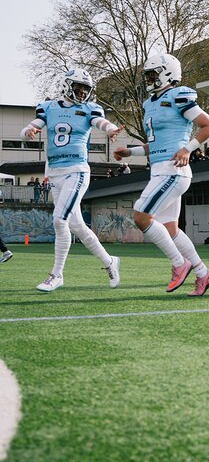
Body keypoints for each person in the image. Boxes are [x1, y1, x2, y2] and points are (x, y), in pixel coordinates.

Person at [113, 53, 209, 297]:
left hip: (173, 170)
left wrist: (188, 149)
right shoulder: (150, 103)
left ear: (167, 73)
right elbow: (157, 143)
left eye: (153, 74)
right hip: (161, 169)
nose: (149, 79)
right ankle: (203, 274)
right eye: (147, 75)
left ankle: (178, 263)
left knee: (140, 216)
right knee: (170, 228)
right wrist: (130, 151)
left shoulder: (179, 95)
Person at [21, 68, 123, 293]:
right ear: (68, 85)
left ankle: (56, 274)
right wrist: (27, 131)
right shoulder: (49, 106)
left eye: (86, 88)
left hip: (76, 170)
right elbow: (35, 124)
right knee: (76, 225)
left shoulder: (90, 109)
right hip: (56, 172)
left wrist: (111, 129)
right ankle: (109, 262)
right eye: (79, 87)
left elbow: (100, 122)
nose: (82, 92)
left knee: (59, 220)